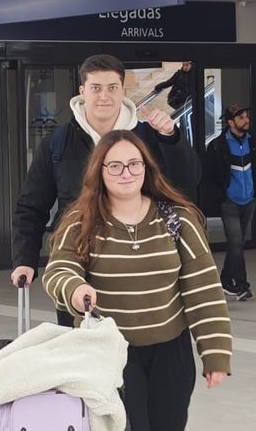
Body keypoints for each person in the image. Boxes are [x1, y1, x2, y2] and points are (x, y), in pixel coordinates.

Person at [41, 129, 232, 431]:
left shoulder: (177, 220)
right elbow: (59, 268)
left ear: (147, 169)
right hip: (112, 359)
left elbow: (202, 289)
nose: (125, 173)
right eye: (115, 165)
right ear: (99, 172)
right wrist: (75, 288)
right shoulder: (82, 220)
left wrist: (215, 353)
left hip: (170, 354)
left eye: (134, 165)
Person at [12, 54, 199, 322]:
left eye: (112, 88)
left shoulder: (147, 136)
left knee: (137, 344)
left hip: (138, 262)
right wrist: (24, 259)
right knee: (80, 352)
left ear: (123, 90)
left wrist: (171, 139)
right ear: (82, 91)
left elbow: (187, 182)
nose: (104, 96)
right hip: (77, 263)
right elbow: (32, 205)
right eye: (96, 88)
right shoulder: (59, 142)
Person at [199, 103, 256, 301]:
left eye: (246, 116)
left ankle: (224, 280)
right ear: (230, 122)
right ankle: (242, 286)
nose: (246, 120)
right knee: (236, 243)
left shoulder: (254, 141)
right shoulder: (217, 146)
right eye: (241, 118)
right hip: (229, 202)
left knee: (237, 244)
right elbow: (208, 176)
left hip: (250, 201)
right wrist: (220, 197)